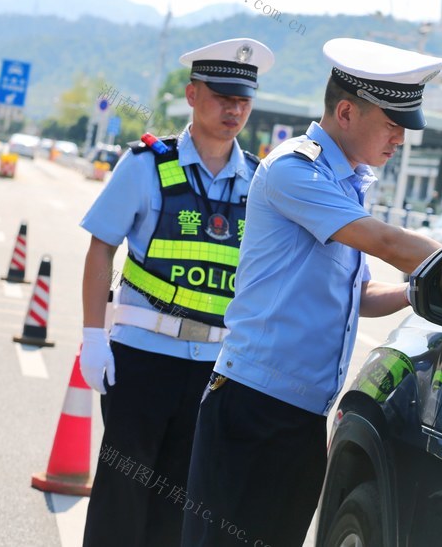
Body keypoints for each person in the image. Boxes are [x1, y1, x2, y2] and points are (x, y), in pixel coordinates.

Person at [182, 38, 442, 546]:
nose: (400, 138)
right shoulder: (294, 169)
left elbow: (360, 295)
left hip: (301, 418)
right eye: (393, 123)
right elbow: (387, 242)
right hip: (251, 410)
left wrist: (420, 293)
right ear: (346, 111)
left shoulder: (347, 183)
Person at [78, 37, 274, 547]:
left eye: (244, 100)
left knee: (182, 506)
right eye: (222, 95)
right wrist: (92, 336)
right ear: (191, 94)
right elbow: (102, 249)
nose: (234, 109)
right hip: (142, 358)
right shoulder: (145, 166)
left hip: (215, 370)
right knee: (122, 497)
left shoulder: (261, 183)